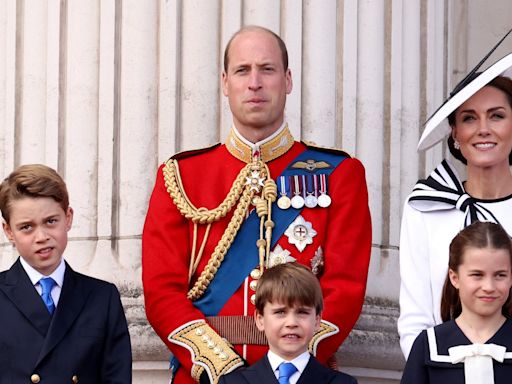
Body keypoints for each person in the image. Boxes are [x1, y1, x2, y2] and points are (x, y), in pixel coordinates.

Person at [142, 25, 372, 383]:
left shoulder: (340, 174)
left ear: (288, 80)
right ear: (225, 82)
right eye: (242, 70)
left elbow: (345, 289)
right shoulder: (182, 176)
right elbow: (161, 292)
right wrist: (221, 369)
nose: (255, 82)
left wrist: (288, 368)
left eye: (267, 69)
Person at [398, 51, 512, 358]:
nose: (483, 128)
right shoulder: (426, 206)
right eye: (469, 118)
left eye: (497, 115)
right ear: (455, 134)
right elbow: (415, 320)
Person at [0, 164, 132, 383]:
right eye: (26, 227)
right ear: (9, 231)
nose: (41, 236)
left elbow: (116, 377)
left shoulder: (102, 297)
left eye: (51, 221)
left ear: (68, 218)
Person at [401, 221, 512, 383]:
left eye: (500, 275)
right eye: (477, 275)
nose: (489, 287)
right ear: (455, 277)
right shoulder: (429, 344)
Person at [219, 262, 357, 384]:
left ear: (317, 320)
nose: (291, 323)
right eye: (280, 312)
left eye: (302, 312)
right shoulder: (232, 382)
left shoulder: (343, 382)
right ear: (260, 319)